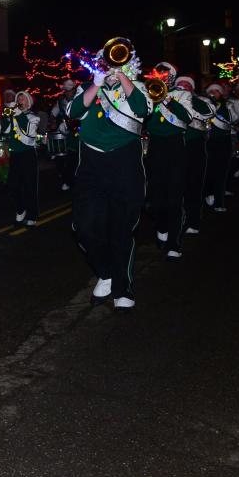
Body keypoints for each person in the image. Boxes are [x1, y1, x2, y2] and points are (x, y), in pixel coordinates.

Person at [66, 45, 151, 311]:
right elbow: (73, 112)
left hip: (124, 162)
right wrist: (96, 84)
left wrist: (122, 76)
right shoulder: (91, 86)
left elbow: (142, 109)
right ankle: (105, 271)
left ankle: (123, 288)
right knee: (83, 226)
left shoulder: (138, 87)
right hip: (92, 163)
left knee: (121, 228)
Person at [143, 62, 192, 261]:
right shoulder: (147, 93)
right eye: (158, 74)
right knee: (155, 198)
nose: (161, 77)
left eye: (165, 74)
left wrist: (167, 99)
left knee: (174, 197)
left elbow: (186, 117)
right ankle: (161, 226)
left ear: (171, 76)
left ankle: (174, 242)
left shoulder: (182, 95)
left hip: (175, 147)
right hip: (155, 147)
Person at [175, 76, 215, 235]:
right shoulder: (169, 98)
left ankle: (194, 221)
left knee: (194, 185)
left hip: (195, 146)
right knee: (177, 186)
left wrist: (189, 97)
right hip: (175, 146)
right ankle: (179, 218)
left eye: (186, 86)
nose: (182, 88)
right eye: (179, 86)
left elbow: (208, 113)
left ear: (192, 89)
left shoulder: (202, 100)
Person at [203, 83, 239, 213]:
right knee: (209, 170)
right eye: (211, 91)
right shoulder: (204, 104)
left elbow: (235, 118)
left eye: (216, 91)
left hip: (224, 141)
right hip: (208, 142)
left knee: (222, 172)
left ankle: (219, 202)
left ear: (220, 94)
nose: (213, 93)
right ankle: (209, 193)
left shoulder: (228, 105)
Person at [1, 91, 41, 225]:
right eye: (19, 98)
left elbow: (30, 134)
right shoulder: (14, 115)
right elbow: (5, 130)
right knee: (12, 186)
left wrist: (19, 115)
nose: (20, 100)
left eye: (23, 98)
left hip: (28, 154)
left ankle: (32, 215)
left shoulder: (33, 117)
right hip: (15, 154)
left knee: (29, 185)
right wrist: (7, 118)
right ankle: (20, 209)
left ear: (28, 102)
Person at [50, 79, 80, 191]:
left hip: (78, 131)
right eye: (66, 90)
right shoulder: (60, 100)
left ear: (74, 90)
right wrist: (53, 121)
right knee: (61, 158)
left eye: (70, 90)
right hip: (65, 132)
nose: (68, 92)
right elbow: (54, 112)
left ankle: (70, 180)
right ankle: (66, 178)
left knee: (74, 158)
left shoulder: (79, 99)